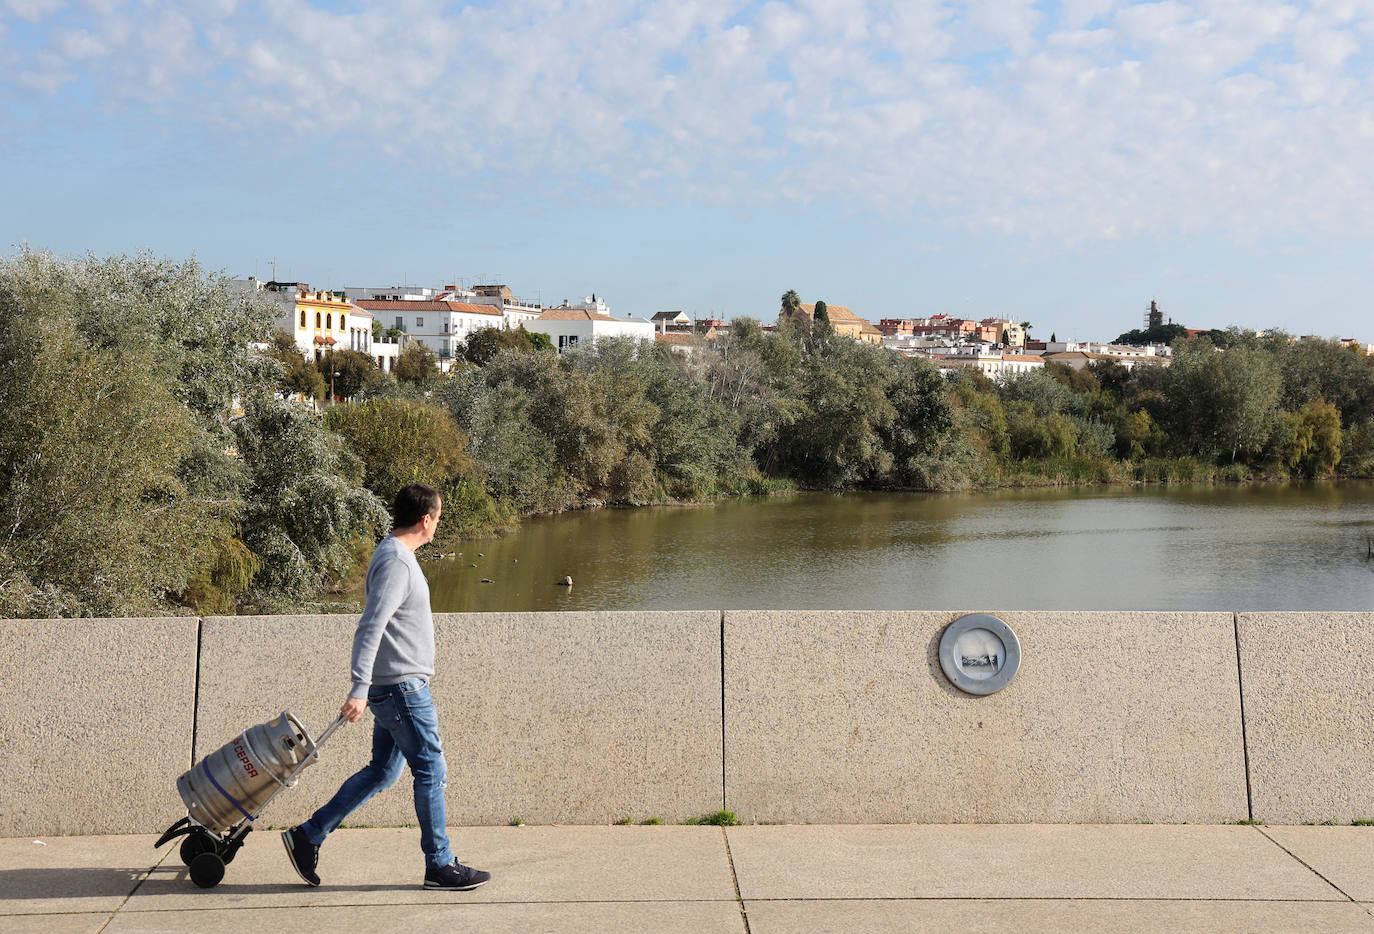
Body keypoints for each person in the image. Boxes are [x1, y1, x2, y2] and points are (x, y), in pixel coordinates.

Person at [281, 483, 490, 891]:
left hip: (394, 686)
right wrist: (359, 687)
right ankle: (440, 864)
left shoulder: (394, 554)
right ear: (425, 519)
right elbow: (370, 626)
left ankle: (308, 836)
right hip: (401, 690)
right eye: (438, 518)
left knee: (383, 771)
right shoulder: (396, 560)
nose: (437, 526)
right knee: (431, 768)